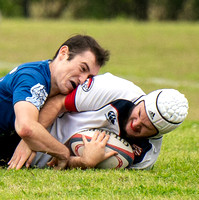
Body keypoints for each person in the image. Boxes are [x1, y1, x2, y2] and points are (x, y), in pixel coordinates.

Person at [8, 73, 189, 170]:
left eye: (146, 128)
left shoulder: (145, 157)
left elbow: (66, 164)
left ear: (158, 134)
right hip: (18, 126)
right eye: (139, 113)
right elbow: (58, 103)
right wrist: (29, 139)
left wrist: (84, 162)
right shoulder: (113, 88)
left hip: (39, 162)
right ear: (143, 100)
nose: (136, 124)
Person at [0, 35, 110, 169]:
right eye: (82, 68)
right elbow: (26, 127)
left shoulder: (55, 82)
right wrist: (63, 152)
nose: (82, 80)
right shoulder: (32, 79)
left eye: (88, 77)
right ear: (63, 53)